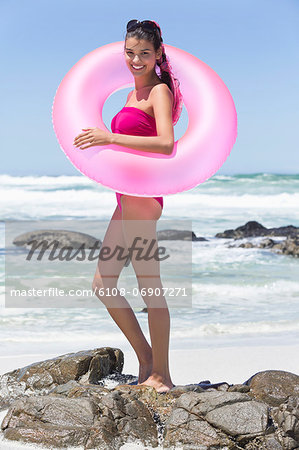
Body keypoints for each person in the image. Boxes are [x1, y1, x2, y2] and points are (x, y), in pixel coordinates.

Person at [73, 19, 183, 393]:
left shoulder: (158, 93)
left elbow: (167, 144)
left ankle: (162, 376)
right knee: (103, 282)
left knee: (151, 287)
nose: (136, 60)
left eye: (144, 54)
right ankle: (147, 358)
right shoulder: (128, 96)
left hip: (143, 197)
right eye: (130, 53)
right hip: (124, 197)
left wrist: (110, 135)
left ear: (158, 55)